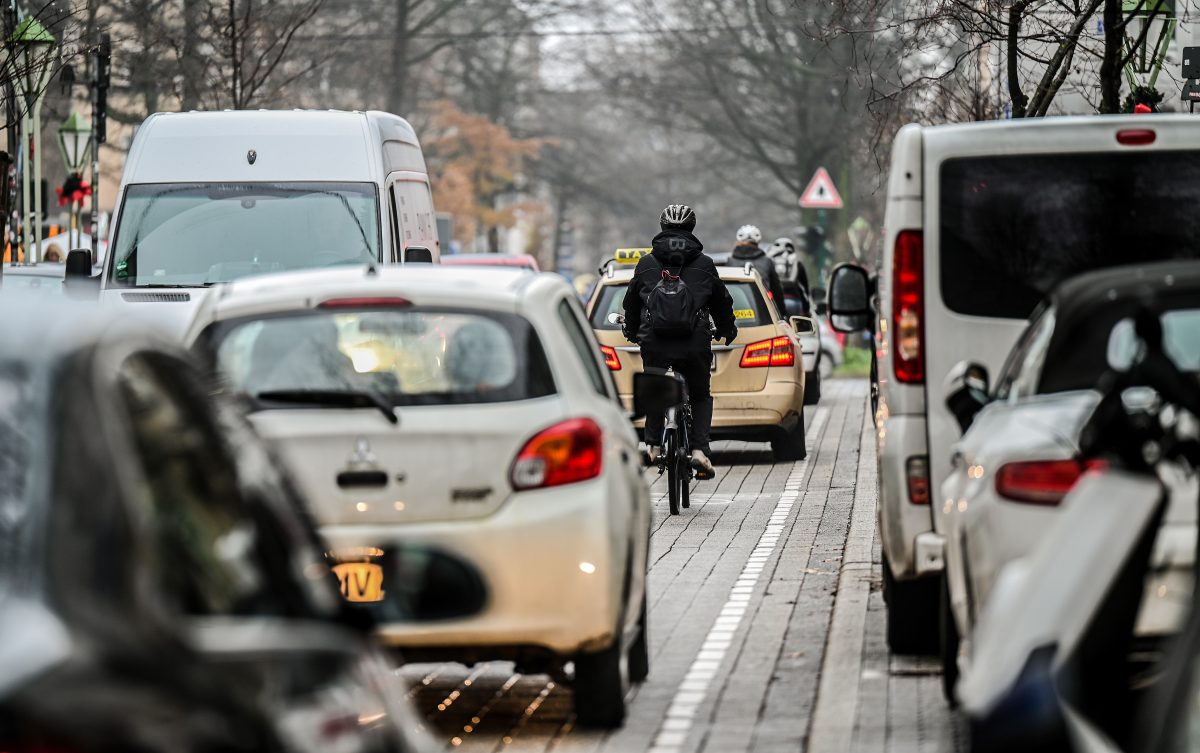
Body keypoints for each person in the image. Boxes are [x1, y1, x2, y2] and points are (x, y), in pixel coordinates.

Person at [623, 204, 736, 480]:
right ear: (692, 228)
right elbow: (722, 302)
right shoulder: (705, 264)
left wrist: (633, 330)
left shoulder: (647, 263)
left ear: (662, 227)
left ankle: (651, 444)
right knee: (699, 394)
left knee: (655, 384)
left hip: (655, 340)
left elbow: (631, 303)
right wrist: (726, 329)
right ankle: (699, 450)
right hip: (694, 341)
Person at [731, 225, 786, 310]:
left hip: (735, 311)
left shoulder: (730, 262)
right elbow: (777, 292)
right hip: (764, 310)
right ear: (757, 242)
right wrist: (782, 313)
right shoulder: (767, 261)